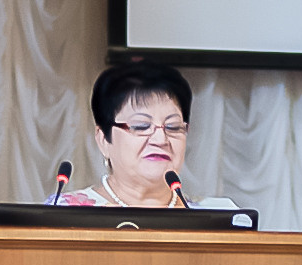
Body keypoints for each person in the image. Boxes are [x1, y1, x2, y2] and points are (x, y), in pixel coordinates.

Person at [56, 63, 234, 209]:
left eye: (172, 127)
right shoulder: (65, 213)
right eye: (141, 126)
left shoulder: (218, 217)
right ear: (103, 140)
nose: (160, 140)